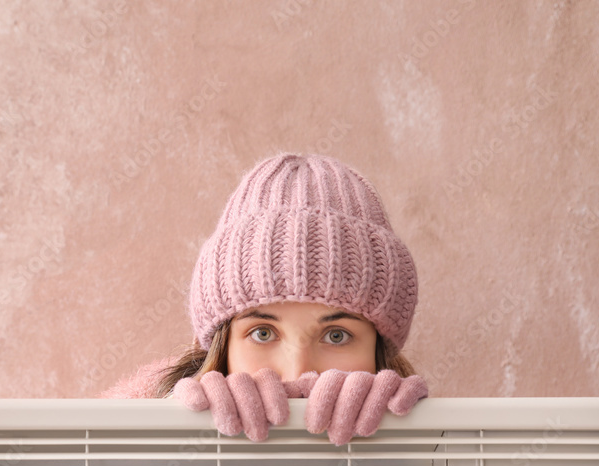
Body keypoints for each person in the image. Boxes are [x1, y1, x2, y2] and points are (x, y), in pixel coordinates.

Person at [98, 153, 428, 445]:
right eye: (263, 333)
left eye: (336, 336)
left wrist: (415, 444)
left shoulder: (422, 440)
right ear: (222, 348)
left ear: (378, 351)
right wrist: (171, 439)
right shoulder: (138, 441)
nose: (297, 372)